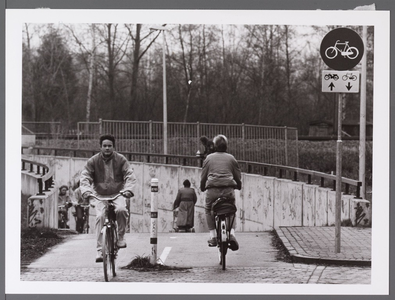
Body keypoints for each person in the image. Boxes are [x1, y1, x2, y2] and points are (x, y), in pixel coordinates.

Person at [80, 134, 136, 263]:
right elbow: (85, 176)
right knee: (100, 217)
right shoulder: (93, 161)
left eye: (109, 146)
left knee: (121, 210)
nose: (107, 148)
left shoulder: (121, 160)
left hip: (118, 194)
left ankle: (121, 237)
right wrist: (87, 191)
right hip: (100, 196)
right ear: (100, 147)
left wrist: (128, 190)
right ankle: (100, 250)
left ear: (113, 147)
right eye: (104, 146)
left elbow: (130, 175)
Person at [200, 134, 242, 250]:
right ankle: (232, 234)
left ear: (214, 146)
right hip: (228, 190)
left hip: (212, 190)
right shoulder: (231, 158)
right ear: (226, 146)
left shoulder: (208, 158)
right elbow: (237, 176)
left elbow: (203, 176)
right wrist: (239, 185)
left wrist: (202, 187)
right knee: (232, 210)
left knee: (208, 209)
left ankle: (213, 236)